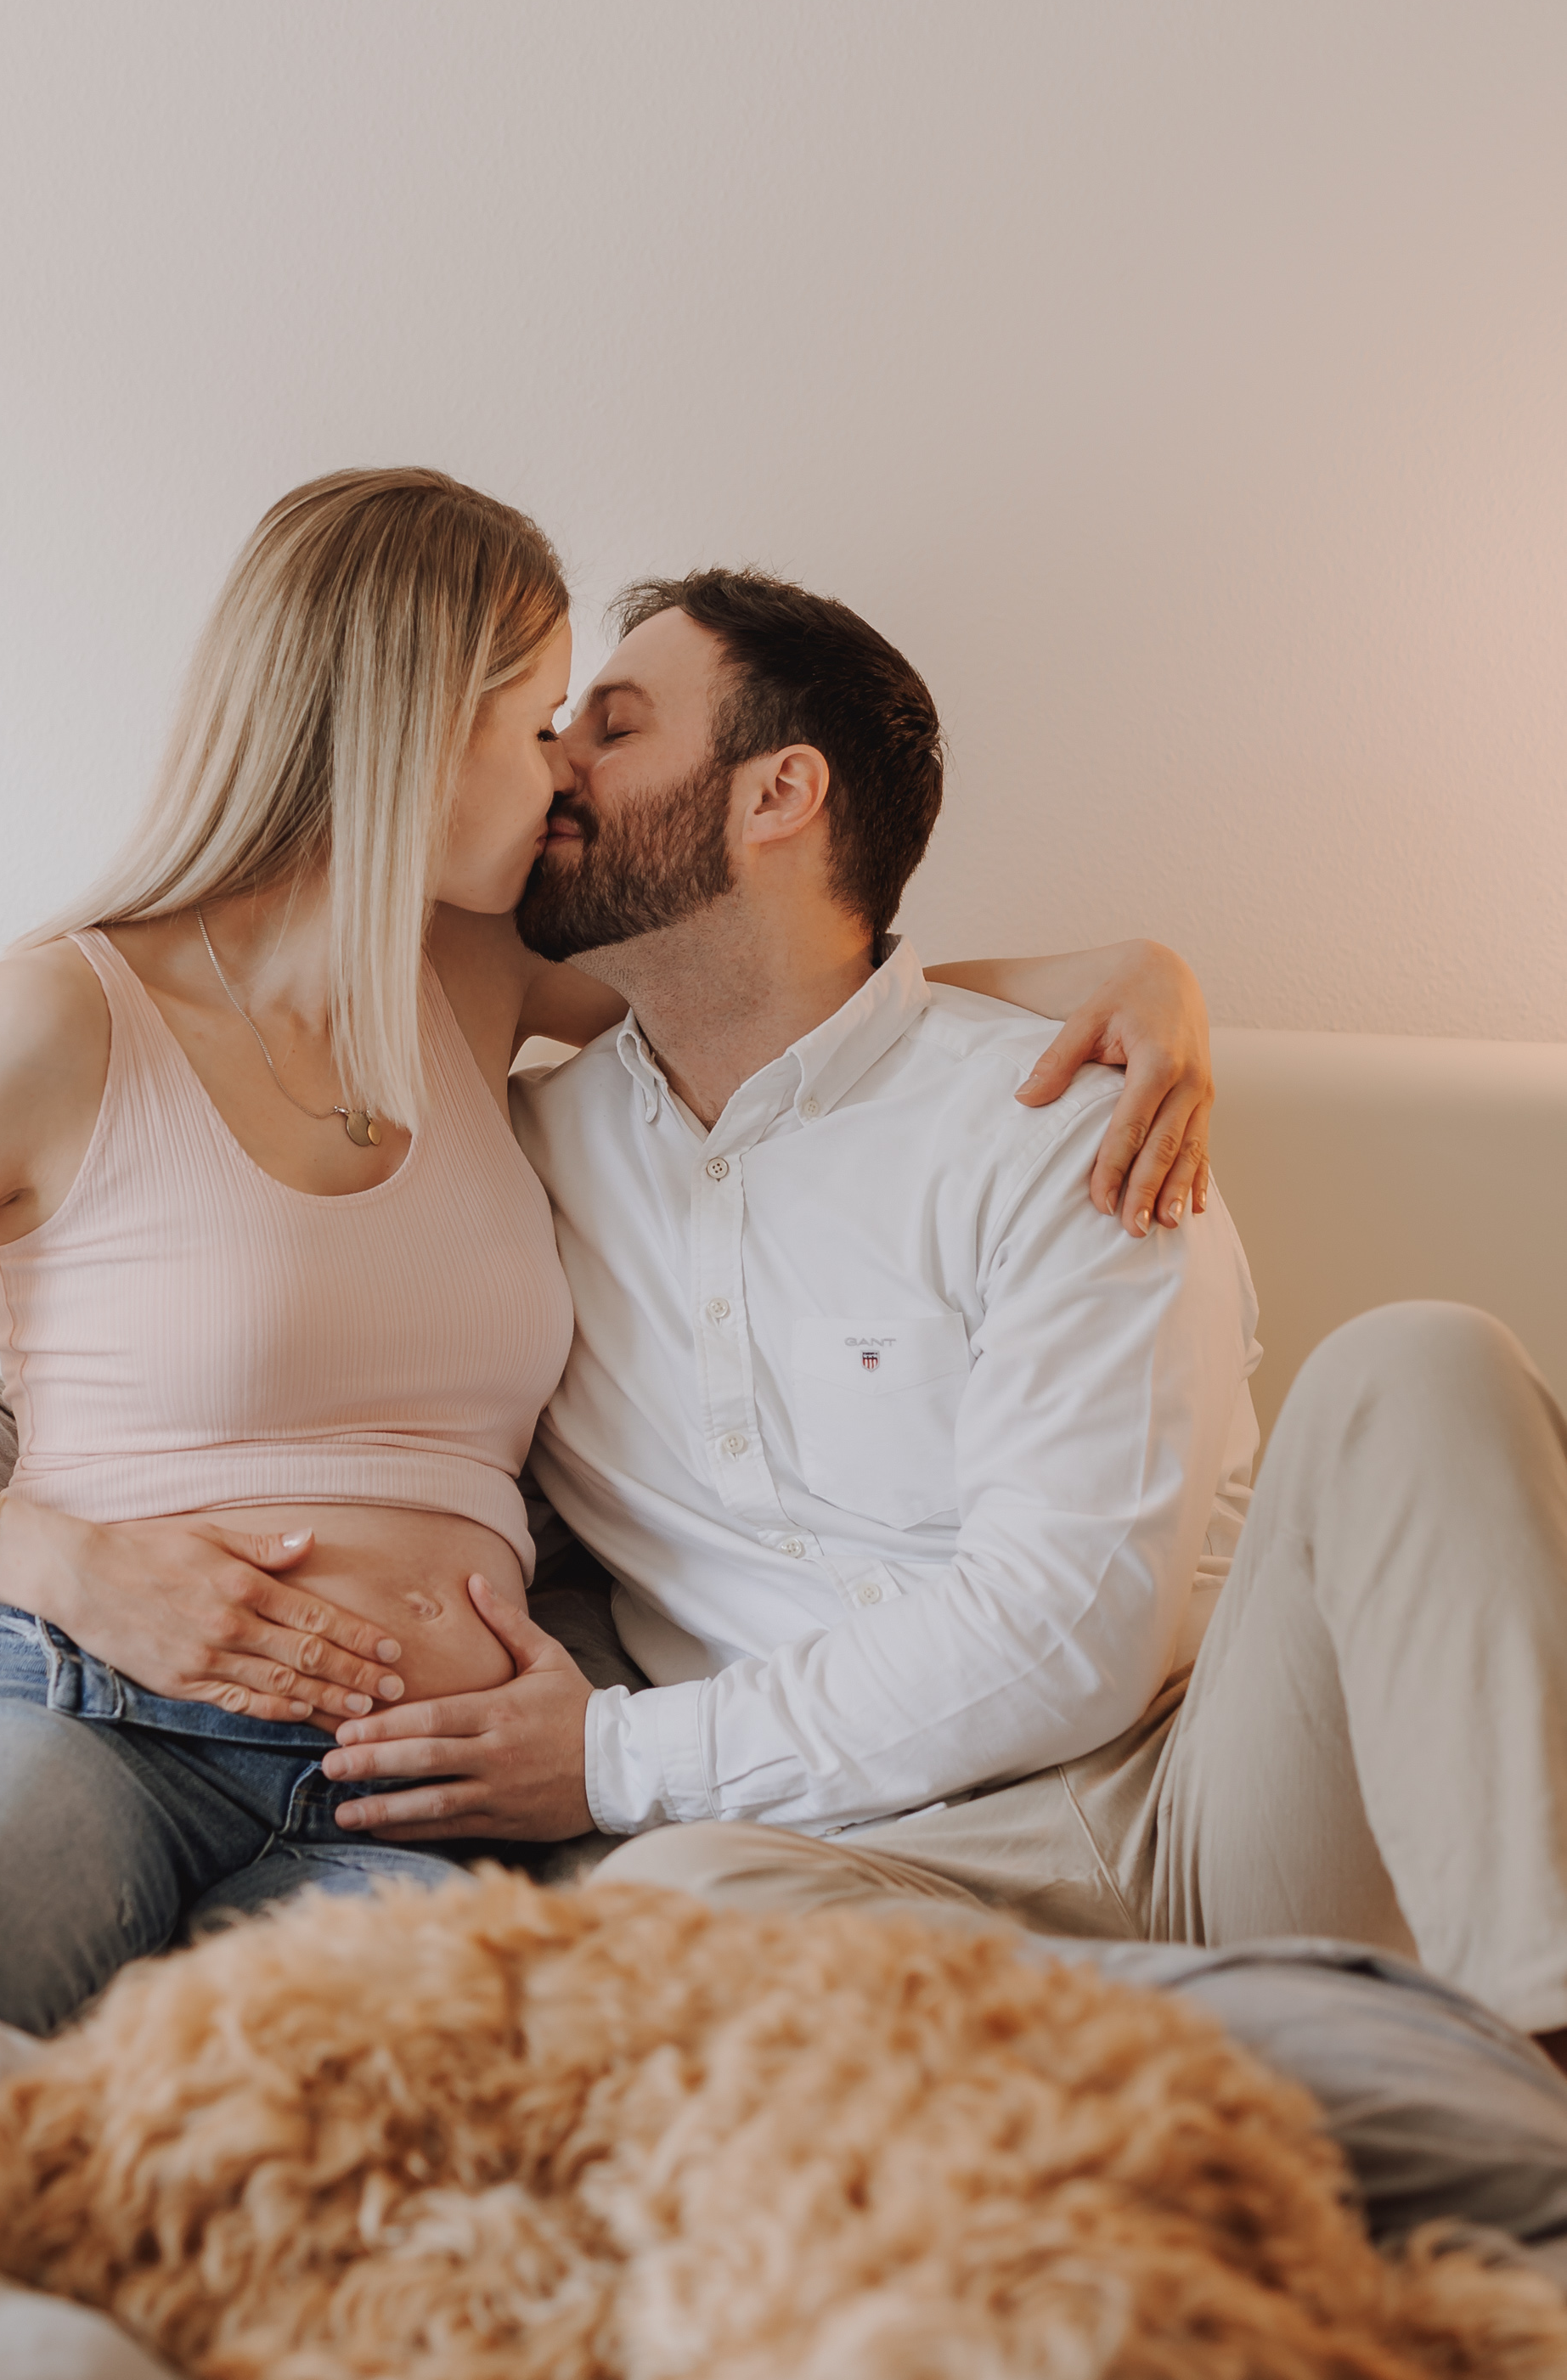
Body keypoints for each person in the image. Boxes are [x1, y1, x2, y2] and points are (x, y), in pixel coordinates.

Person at [0, 472, 1210, 2028]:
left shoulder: (481, 979)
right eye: (538, 724)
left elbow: (778, 979)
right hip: (106, 1698)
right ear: (406, 724)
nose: (562, 778)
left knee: (377, 2083)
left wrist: (1127, 976)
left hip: (419, 1776)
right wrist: (58, 1564)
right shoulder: (54, 1022)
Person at [318, 568, 1567, 2057]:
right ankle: (1260, 2072)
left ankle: (1528, 2048)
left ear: (780, 792)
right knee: (665, 1906)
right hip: (859, 1871)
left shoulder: (1058, 1118)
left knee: (1417, 1366)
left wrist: (602, 1755)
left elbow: (1069, 1632)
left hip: (1203, 1806)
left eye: (616, 725)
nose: (558, 764)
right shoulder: (511, 1170)